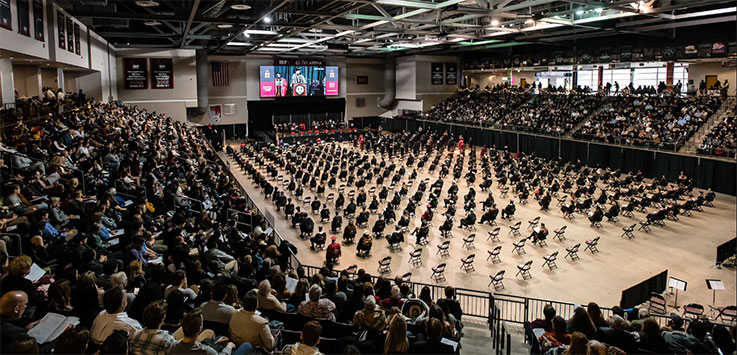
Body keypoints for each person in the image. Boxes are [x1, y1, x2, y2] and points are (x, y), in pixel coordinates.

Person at [170, 309, 236, 355]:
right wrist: (229, 346)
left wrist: (215, 343)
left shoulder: (171, 346)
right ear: (200, 328)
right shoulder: (206, 351)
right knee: (246, 345)